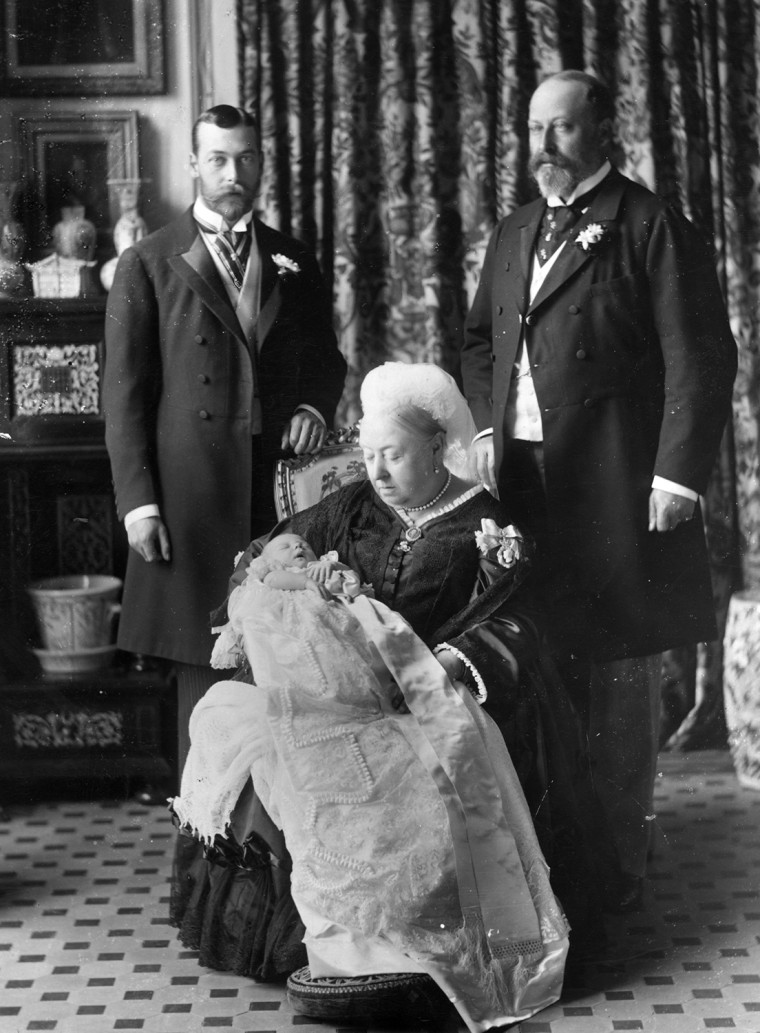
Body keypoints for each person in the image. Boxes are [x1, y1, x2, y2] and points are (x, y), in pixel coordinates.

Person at [170, 362, 614, 1019]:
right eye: (370, 455)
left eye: (394, 455)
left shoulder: (483, 522)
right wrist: (288, 586)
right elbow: (266, 553)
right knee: (248, 728)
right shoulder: (354, 503)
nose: (376, 471)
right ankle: (326, 948)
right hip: (338, 689)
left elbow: (525, 617)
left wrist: (456, 661)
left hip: (428, 688)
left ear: (438, 446)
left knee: (411, 770)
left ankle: (403, 954)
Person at [460, 70, 737, 914]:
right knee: (538, 654)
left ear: (602, 132)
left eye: (563, 129)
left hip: (616, 484)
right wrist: (481, 430)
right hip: (526, 485)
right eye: (536, 129)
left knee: (617, 660)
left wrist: (677, 474)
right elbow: (479, 341)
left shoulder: (649, 226)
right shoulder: (513, 233)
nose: (544, 147)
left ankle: (619, 858)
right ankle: (558, 846)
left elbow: (701, 355)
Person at [172, 523, 570, 1031]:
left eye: (304, 546)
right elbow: (269, 602)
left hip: (376, 693)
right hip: (306, 698)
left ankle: (421, 942)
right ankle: (352, 949)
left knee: (430, 768)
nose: (299, 547)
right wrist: (305, 578)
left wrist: (340, 587)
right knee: (318, 788)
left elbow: (369, 622)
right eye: (285, 546)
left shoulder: (343, 572)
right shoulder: (273, 577)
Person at [102, 104, 347, 771]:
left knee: (282, 667)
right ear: (193, 165)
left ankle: (270, 855)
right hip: (192, 500)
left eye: (244, 158)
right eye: (217, 158)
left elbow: (326, 360)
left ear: (262, 163)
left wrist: (311, 406)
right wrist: (139, 504)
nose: (232, 172)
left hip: (275, 498)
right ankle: (206, 857)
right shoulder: (148, 263)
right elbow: (121, 397)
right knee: (202, 681)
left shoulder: (293, 257)